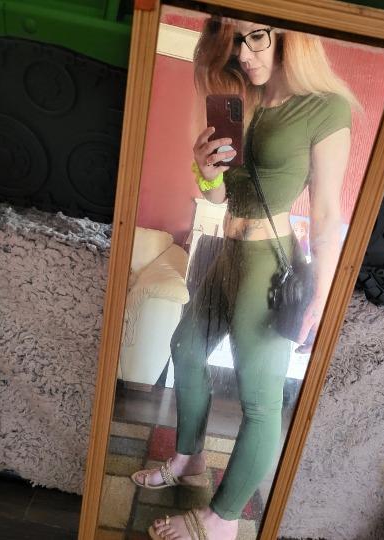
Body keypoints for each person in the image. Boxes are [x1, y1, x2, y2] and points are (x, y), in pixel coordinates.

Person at [132, 15, 359, 540]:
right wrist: (206, 169)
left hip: (268, 262)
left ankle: (223, 519)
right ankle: (189, 459)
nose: (244, 53)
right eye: (235, 42)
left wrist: (323, 297)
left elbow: (327, 212)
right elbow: (218, 195)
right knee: (186, 348)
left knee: (259, 400)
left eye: (257, 36)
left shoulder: (325, 107)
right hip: (225, 249)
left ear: (290, 34)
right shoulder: (239, 99)